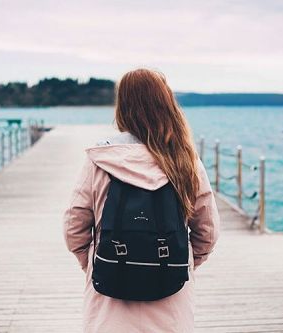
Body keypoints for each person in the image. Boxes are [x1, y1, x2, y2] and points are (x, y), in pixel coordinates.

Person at [63, 68, 220, 333]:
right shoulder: (186, 162)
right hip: (171, 296)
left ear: (122, 106)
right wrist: (185, 263)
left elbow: (73, 226)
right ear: (166, 103)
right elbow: (208, 231)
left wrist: (94, 262)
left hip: (109, 295)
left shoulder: (100, 160)